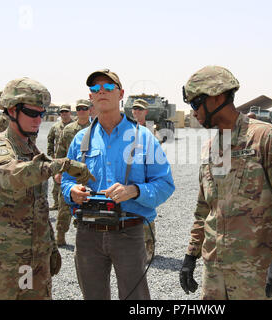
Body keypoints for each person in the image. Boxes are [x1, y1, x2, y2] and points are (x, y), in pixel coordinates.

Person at [179, 66, 272, 300]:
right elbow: (206, 208)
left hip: (254, 274)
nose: (193, 112)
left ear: (217, 97)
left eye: (195, 104)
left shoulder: (265, 138)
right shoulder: (212, 148)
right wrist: (191, 255)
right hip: (215, 274)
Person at [0, 77, 95, 300]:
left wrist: (50, 245)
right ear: (11, 110)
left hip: (34, 258)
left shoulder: (28, 146)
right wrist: (61, 164)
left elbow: (36, 205)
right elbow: (13, 175)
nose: (38, 119)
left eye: (42, 113)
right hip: (4, 260)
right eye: (31, 113)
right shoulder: (0, 146)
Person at [61, 68, 175, 300]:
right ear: (91, 97)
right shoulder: (80, 139)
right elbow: (66, 180)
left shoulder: (143, 137)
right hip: (87, 234)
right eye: (95, 89)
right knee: (92, 296)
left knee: (135, 298)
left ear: (121, 93)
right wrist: (70, 191)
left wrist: (133, 191)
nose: (101, 92)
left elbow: (165, 184)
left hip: (128, 232)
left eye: (108, 87)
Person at [54, 99, 92, 246]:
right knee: (64, 205)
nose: (82, 111)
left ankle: (84, 237)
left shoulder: (94, 128)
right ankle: (60, 234)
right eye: (79, 109)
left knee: (87, 204)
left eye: (84, 108)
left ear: (89, 110)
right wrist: (58, 172)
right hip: (69, 173)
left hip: (86, 174)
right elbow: (60, 152)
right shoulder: (68, 129)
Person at [131, 98, 157, 264]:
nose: (137, 112)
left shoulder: (150, 128)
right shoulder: (127, 127)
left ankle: (149, 248)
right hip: (132, 173)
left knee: (147, 210)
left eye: (140, 109)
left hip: (147, 173)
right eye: (135, 109)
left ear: (146, 112)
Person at [47, 104, 74, 210]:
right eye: (62, 112)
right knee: (57, 182)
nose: (64, 114)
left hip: (72, 158)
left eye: (66, 112)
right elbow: (50, 140)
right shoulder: (55, 127)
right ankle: (57, 204)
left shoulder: (75, 125)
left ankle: (71, 204)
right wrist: (51, 154)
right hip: (59, 158)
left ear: (70, 113)